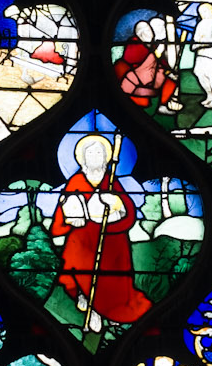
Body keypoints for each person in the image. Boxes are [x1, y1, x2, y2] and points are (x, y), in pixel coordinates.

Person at [50, 134, 149, 334]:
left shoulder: (111, 182)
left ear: (106, 157)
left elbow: (129, 215)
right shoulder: (76, 181)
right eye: (90, 152)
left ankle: (114, 311)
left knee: (115, 278)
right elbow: (60, 218)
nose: (95, 156)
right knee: (81, 270)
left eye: (99, 152)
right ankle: (90, 305)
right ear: (82, 158)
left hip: (112, 239)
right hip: (83, 239)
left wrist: (117, 205)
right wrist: (71, 219)